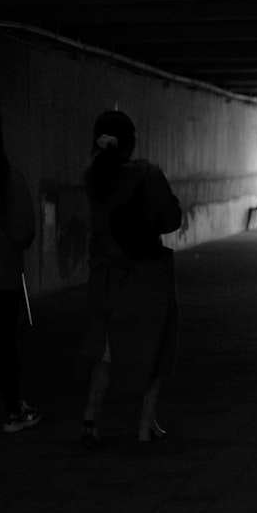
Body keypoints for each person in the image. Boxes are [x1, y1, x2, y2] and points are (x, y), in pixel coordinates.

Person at [79, 110, 182, 448]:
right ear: (131, 141)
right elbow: (171, 219)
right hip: (146, 276)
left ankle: (90, 422)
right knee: (155, 348)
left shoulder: (92, 179)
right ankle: (145, 425)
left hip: (107, 277)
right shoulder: (147, 174)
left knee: (106, 354)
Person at [0, 113, 40, 433]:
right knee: (5, 345)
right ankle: (14, 411)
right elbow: (22, 231)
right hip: (3, 275)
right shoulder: (10, 177)